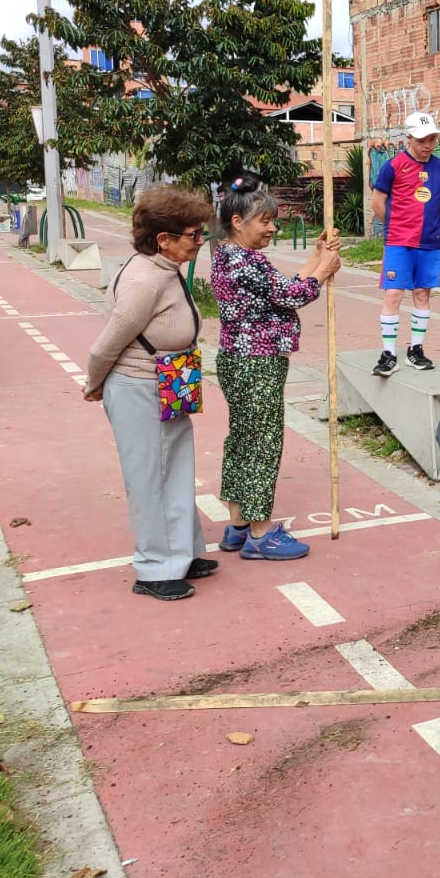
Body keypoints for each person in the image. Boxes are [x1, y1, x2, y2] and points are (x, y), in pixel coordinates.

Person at [83, 185, 217, 601]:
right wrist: (94, 384)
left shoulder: (162, 268)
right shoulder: (144, 279)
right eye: (194, 235)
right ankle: (154, 569)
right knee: (149, 477)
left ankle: (184, 552)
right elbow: (106, 345)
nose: (200, 242)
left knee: (176, 468)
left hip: (170, 378)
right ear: (164, 239)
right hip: (140, 385)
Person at [210, 175, 343, 561]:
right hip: (257, 363)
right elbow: (292, 294)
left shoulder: (230, 255)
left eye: (272, 221)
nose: (272, 228)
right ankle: (260, 532)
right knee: (263, 443)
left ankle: (237, 524)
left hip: (238, 359)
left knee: (242, 440)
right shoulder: (245, 261)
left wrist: (317, 257)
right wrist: (324, 270)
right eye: (264, 221)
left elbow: (282, 287)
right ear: (238, 222)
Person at [372, 111, 440, 376]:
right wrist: (398, 226)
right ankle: (388, 353)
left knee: (422, 294)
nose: (427, 145)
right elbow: (378, 203)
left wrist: (427, 225)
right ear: (408, 138)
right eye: (421, 140)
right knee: (394, 294)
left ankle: (415, 350)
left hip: (429, 244)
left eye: (431, 139)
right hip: (398, 242)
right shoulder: (393, 166)